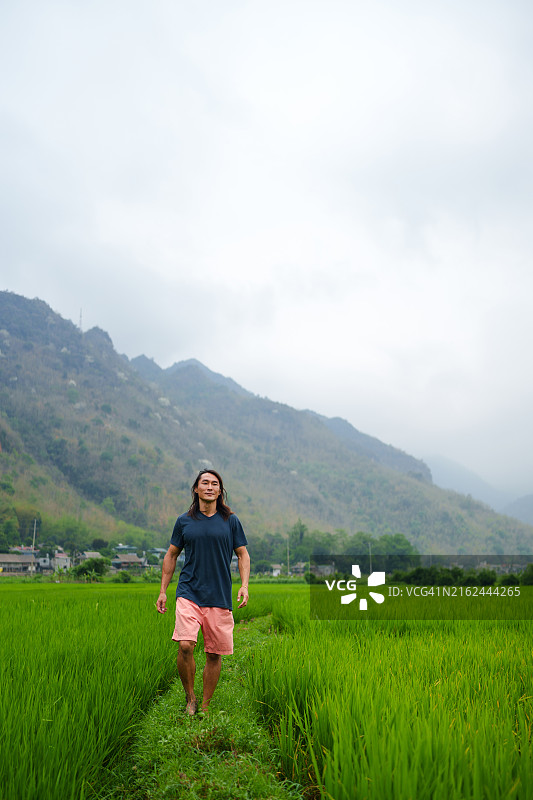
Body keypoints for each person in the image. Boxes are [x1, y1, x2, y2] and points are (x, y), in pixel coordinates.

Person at [156, 469, 250, 715]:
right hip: (189, 591)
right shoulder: (184, 521)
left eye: (215, 484)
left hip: (218, 595)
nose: (209, 487)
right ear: (196, 489)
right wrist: (163, 590)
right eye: (205, 483)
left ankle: (205, 705)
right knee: (185, 645)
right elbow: (171, 554)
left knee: (214, 653)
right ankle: (190, 699)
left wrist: (244, 585)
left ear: (220, 491)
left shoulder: (231, 521)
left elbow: (242, 554)